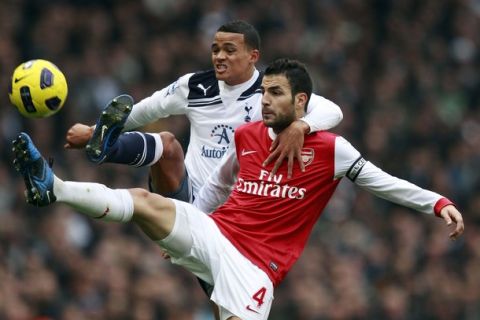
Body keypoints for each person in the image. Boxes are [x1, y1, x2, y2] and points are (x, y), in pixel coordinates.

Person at [12, 58, 464, 320]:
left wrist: (438, 203)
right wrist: (183, 226)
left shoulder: (332, 150)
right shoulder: (248, 136)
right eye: (264, 92)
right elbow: (215, 188)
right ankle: (53, 188)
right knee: (146, 202)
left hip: (256, 270)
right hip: (217, 234)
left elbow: (385, 184)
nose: (264, 101)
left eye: (276, 94)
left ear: (301, 103)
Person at [64, 20, 343, 204]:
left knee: (225, 294)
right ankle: (104, 148)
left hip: (236, 211)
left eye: (229, 50)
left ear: (253, 56)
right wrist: (92, 132)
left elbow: (332, 111)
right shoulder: (194, 85)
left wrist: (299, 126)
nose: (219, 56)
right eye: (215, 49)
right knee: (168, 144)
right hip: (187, 194)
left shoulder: (271, 92)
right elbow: (142, 111)